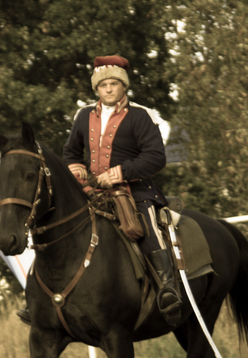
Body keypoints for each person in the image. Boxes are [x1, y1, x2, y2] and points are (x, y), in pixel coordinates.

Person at [16, 55, 182, 326]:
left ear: (123, 86)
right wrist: (76, 169)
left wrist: (119, 173)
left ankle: (168, 289)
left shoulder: (141, 116)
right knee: (55, 225)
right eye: (103, 85)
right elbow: (71, 152)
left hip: (135, 190)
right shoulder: (83, 116)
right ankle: (35, 298)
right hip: (91, 191)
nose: (108, 89)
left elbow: (156, 157)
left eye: (113, 84)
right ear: (96, 88)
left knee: (146, 225)